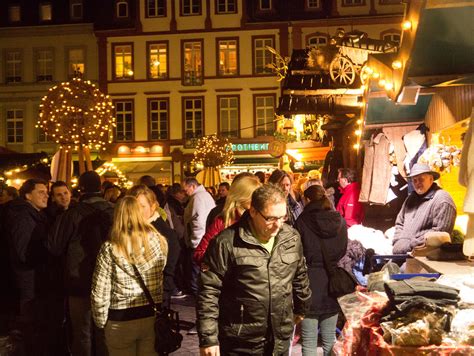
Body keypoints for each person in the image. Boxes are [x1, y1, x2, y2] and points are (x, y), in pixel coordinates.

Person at [197, 184, 311, 355]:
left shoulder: (291, 238)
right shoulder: (226, 242)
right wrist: (208, 338)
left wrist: (302, 307)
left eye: (282, 217)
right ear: (253, 212)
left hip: (279, 337)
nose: (278, 225)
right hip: (241, 340)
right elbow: (208, 292)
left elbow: (300, 274)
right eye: (271, 218)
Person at [91, 196, 168, 356]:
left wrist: (101, 322)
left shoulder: (110, 248)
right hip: (151, 315)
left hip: (121, 318)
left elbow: (100, 292)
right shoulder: (159, 241)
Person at [48, 171, 114, 356]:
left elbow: (54, 246)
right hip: (110, 281)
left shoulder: (72, 215)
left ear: (80, 189)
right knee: (106, 331)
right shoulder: (114, 210)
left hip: (79, 281)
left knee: (81, 332)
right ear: (100, 188)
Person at [296, 185, 348, 356]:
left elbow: (297, 252)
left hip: (308, 283)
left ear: (308, 200)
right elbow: (343, 249)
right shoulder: (338, 219)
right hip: (332, 283)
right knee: (330, 338)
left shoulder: (302, 221)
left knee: (309, 340)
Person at [4, 179, 51, 355]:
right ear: (27, 195)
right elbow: (23, 252)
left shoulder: (34, 214)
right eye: (41, 192)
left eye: (46, 192)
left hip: (33, 277)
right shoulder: (23, 216)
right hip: (28, 278)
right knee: (29, 322)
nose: (46, 195)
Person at [129, 184, 181, 307]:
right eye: (134, 206)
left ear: (153, 207)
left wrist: (165, 287)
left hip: (156, 295)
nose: (138, 210)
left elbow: (171, 261)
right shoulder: (127, 229)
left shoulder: (162, 231)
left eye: (142, 206)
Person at [194, 175, 261, 265]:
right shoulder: (222, 221)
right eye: (254, 197)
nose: (258, 201)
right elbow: (199, 253)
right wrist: (225, 261)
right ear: (243, 196)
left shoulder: (260, 218)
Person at [392, 163, 457, 254]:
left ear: (431, 179)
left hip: (424, 256)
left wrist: (411, 244)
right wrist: (398, 241)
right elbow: (399, 223)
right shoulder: (411, 199)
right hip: (402, 252)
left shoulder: (442, 199)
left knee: (401, 269)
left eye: (421, 179)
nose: (417, 183)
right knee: (384, 267)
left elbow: (439, 234)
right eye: (414, 180)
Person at [182, 177, 215, 297]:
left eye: (186, 190)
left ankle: (197, 296)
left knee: (196, 270)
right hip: (204, 240)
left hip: (199, 241)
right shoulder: (204, 195)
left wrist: (194, 241)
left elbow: (198, 222)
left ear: (192, 186)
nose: (185, 193)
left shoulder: (198, 198)